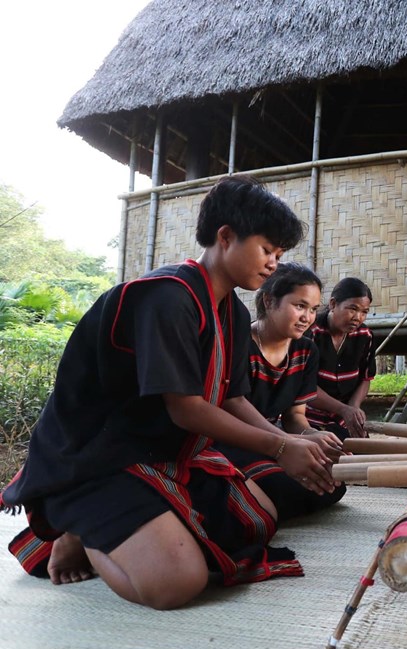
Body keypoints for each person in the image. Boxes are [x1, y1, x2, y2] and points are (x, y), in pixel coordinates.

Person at [0, 175, 344, 609]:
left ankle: (121, 527)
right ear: (225, 237)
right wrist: (278, 447)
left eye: (279, 254)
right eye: (267, 250)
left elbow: (233, 400)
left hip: (160, 452)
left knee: (258, 520)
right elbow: (186, 409)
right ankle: (78, 524)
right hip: (96, 457)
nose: (274, 263)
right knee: (176, 584)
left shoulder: (233, 314)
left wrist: (292, 442)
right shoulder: (167, 297)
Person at [215, 262, 347, 521]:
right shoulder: (239, 342)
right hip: (232, 440)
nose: (307, 317)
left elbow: (294, 418)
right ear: (268, 300)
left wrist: (313, 438)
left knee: (333, 480)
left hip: (274, 440)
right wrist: (286, 444)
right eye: (299, 306)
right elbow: (233, 403)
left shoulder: (306, 351)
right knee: (287, 487)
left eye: (312, 310)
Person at [305, 277, 376, 439]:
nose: (358, 317)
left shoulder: (365, 336)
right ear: (332, 304)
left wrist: (353, 409)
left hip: (343, 417)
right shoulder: (311, 333)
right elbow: (305, 385)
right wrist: (344, 410)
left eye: (364, 312)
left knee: (361, 454)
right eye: (352, 309)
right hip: (307, 417)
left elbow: (366, 377)